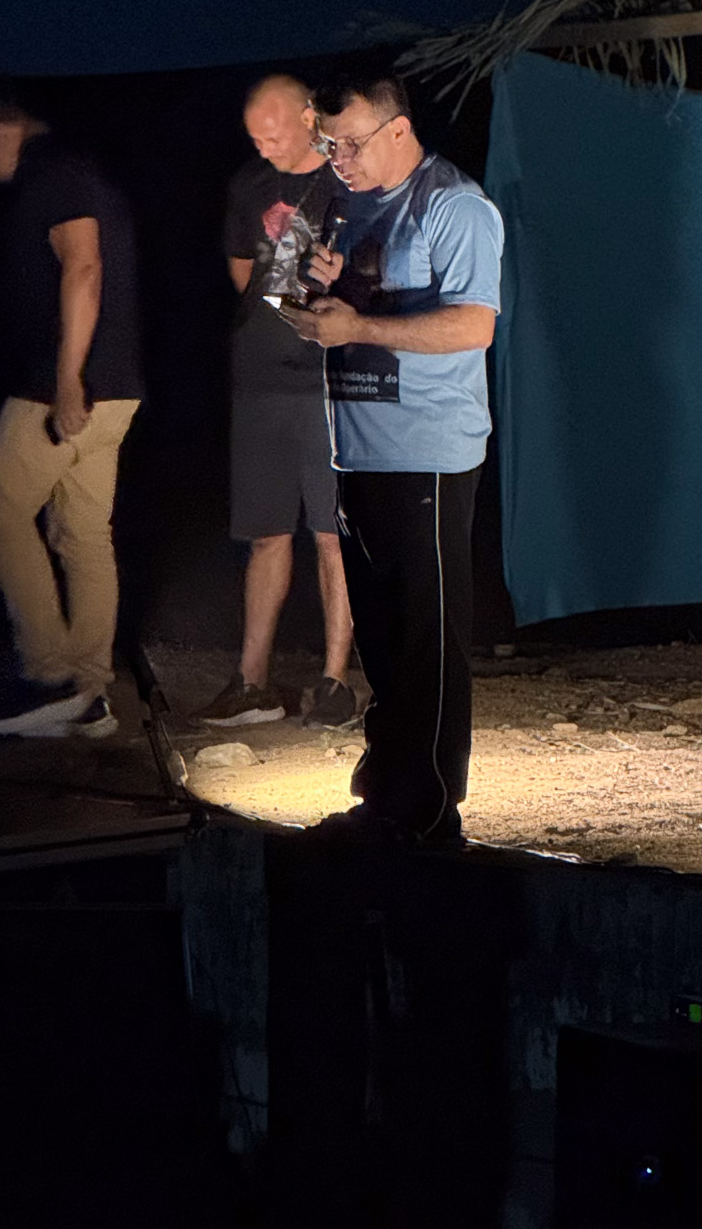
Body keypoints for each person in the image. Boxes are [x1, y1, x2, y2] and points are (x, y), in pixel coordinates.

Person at [287, 72, 502, 846]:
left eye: (350, 144)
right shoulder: (343, 204)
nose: (338, 160)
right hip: (358, 446)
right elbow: (312, 300)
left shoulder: (454, 206)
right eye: (328, 146)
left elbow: (474, 325)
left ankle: (431, 807)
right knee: (381, 636)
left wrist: (359, 328)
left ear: (399, 130)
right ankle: (386, 793)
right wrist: (307, 293)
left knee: (426, 638)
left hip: (428, 452)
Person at [0, 96, 142, 739]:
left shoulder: (53, 175)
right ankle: (88, 693)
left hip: (61, 390)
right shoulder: (83, 174)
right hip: (116, 388)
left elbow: (84, 267)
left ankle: (50, 676)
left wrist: (68, 382)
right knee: (83, 535)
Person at [200, 75, 358, 731]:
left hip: (325, 378)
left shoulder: (346, 177)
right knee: (266, 532)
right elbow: (244, 272)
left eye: (273, 134)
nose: (263, 147)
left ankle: (335, 681)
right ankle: (252, 682)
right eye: (254, 137)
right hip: (261, 373)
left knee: (331, 532)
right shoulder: (250, 184)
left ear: (308, 116)